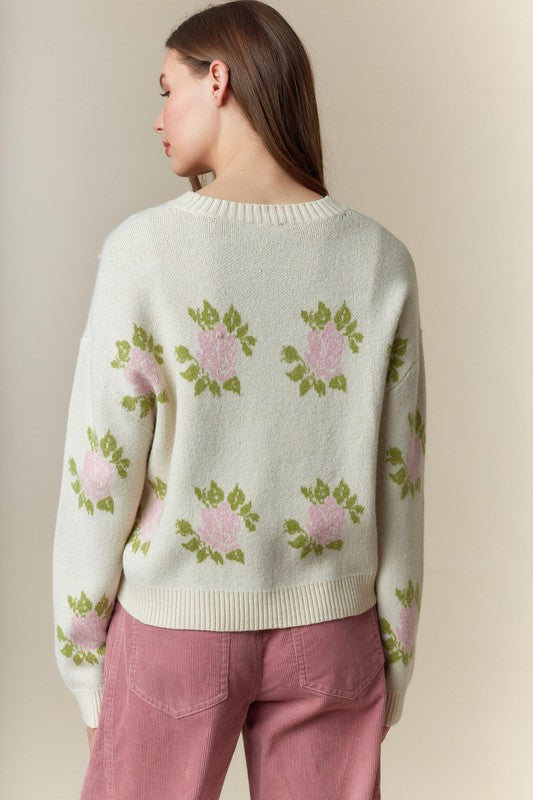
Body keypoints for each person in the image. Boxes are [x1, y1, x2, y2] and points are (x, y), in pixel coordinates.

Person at [52, 1, 427, 798]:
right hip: (334, 633)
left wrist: (85, 662)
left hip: (174, 632)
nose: (158, 118)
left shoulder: (141, 253)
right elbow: (400, 476)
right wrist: (392, 657)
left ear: (216, 79)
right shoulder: (380, 260)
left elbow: (99, 474)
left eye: (167, 89)